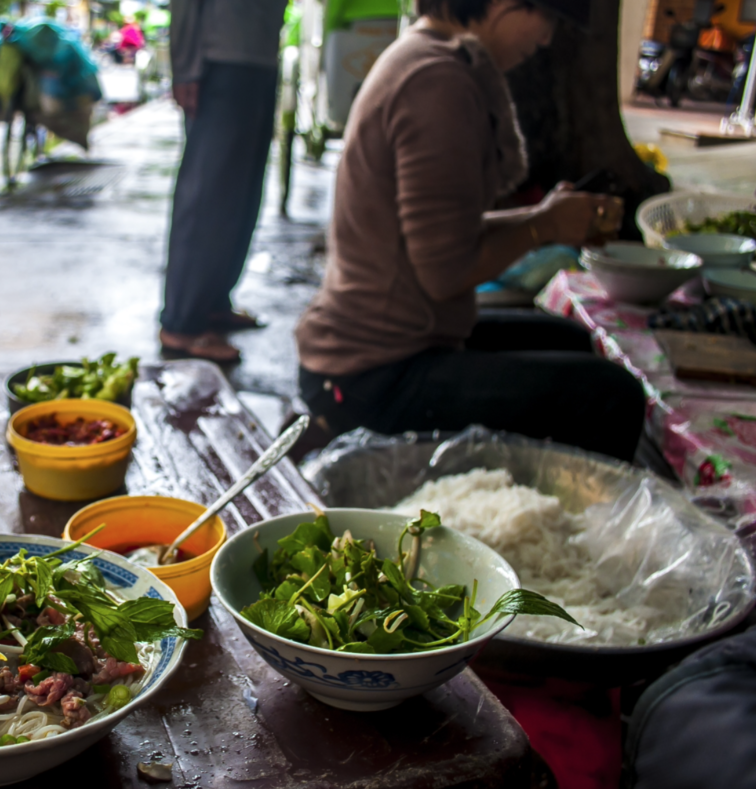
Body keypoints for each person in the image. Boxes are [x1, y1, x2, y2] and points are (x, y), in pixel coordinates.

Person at [295, 0, 647, 462]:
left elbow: (447, 233)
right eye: (547, 18)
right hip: (370, 372)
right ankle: (559, 520)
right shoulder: (437, 82)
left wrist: (546, 218)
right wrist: (543, 226)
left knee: (574, 339)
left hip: (392, 342)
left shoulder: (428, 57)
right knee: (612, 396)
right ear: (503, 5)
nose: (545, 39)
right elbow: (446, 271)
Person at [159, 0, 288, 362]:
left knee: (241, 193)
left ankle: (213, 302)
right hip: (219, 60)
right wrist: (184, 68)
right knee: (208, 195)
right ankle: (182, 323)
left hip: (259, 54)